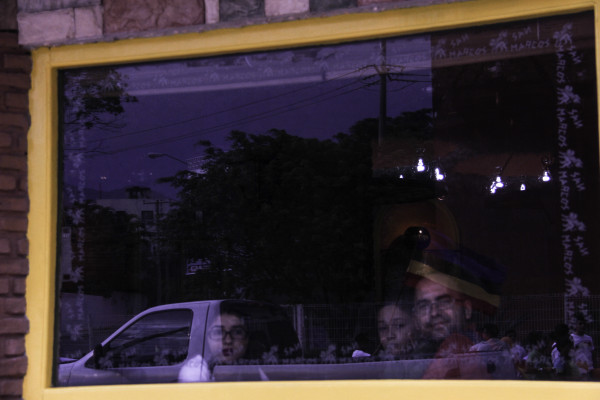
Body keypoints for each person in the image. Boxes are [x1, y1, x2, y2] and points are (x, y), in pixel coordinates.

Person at [179, 309, 250, 382]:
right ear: (206, 338)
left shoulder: (258, 367)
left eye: (237, 332)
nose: (228, 341)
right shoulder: (195, 372)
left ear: (247, 339)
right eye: (218, 332)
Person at [571, 312, 595, 377]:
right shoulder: (571, 338)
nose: (582, 326)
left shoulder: (589, 338)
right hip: (579, 370)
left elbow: (592, 353)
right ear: (576, 325)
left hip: (590, 369)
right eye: (580, 324)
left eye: (584, 324)